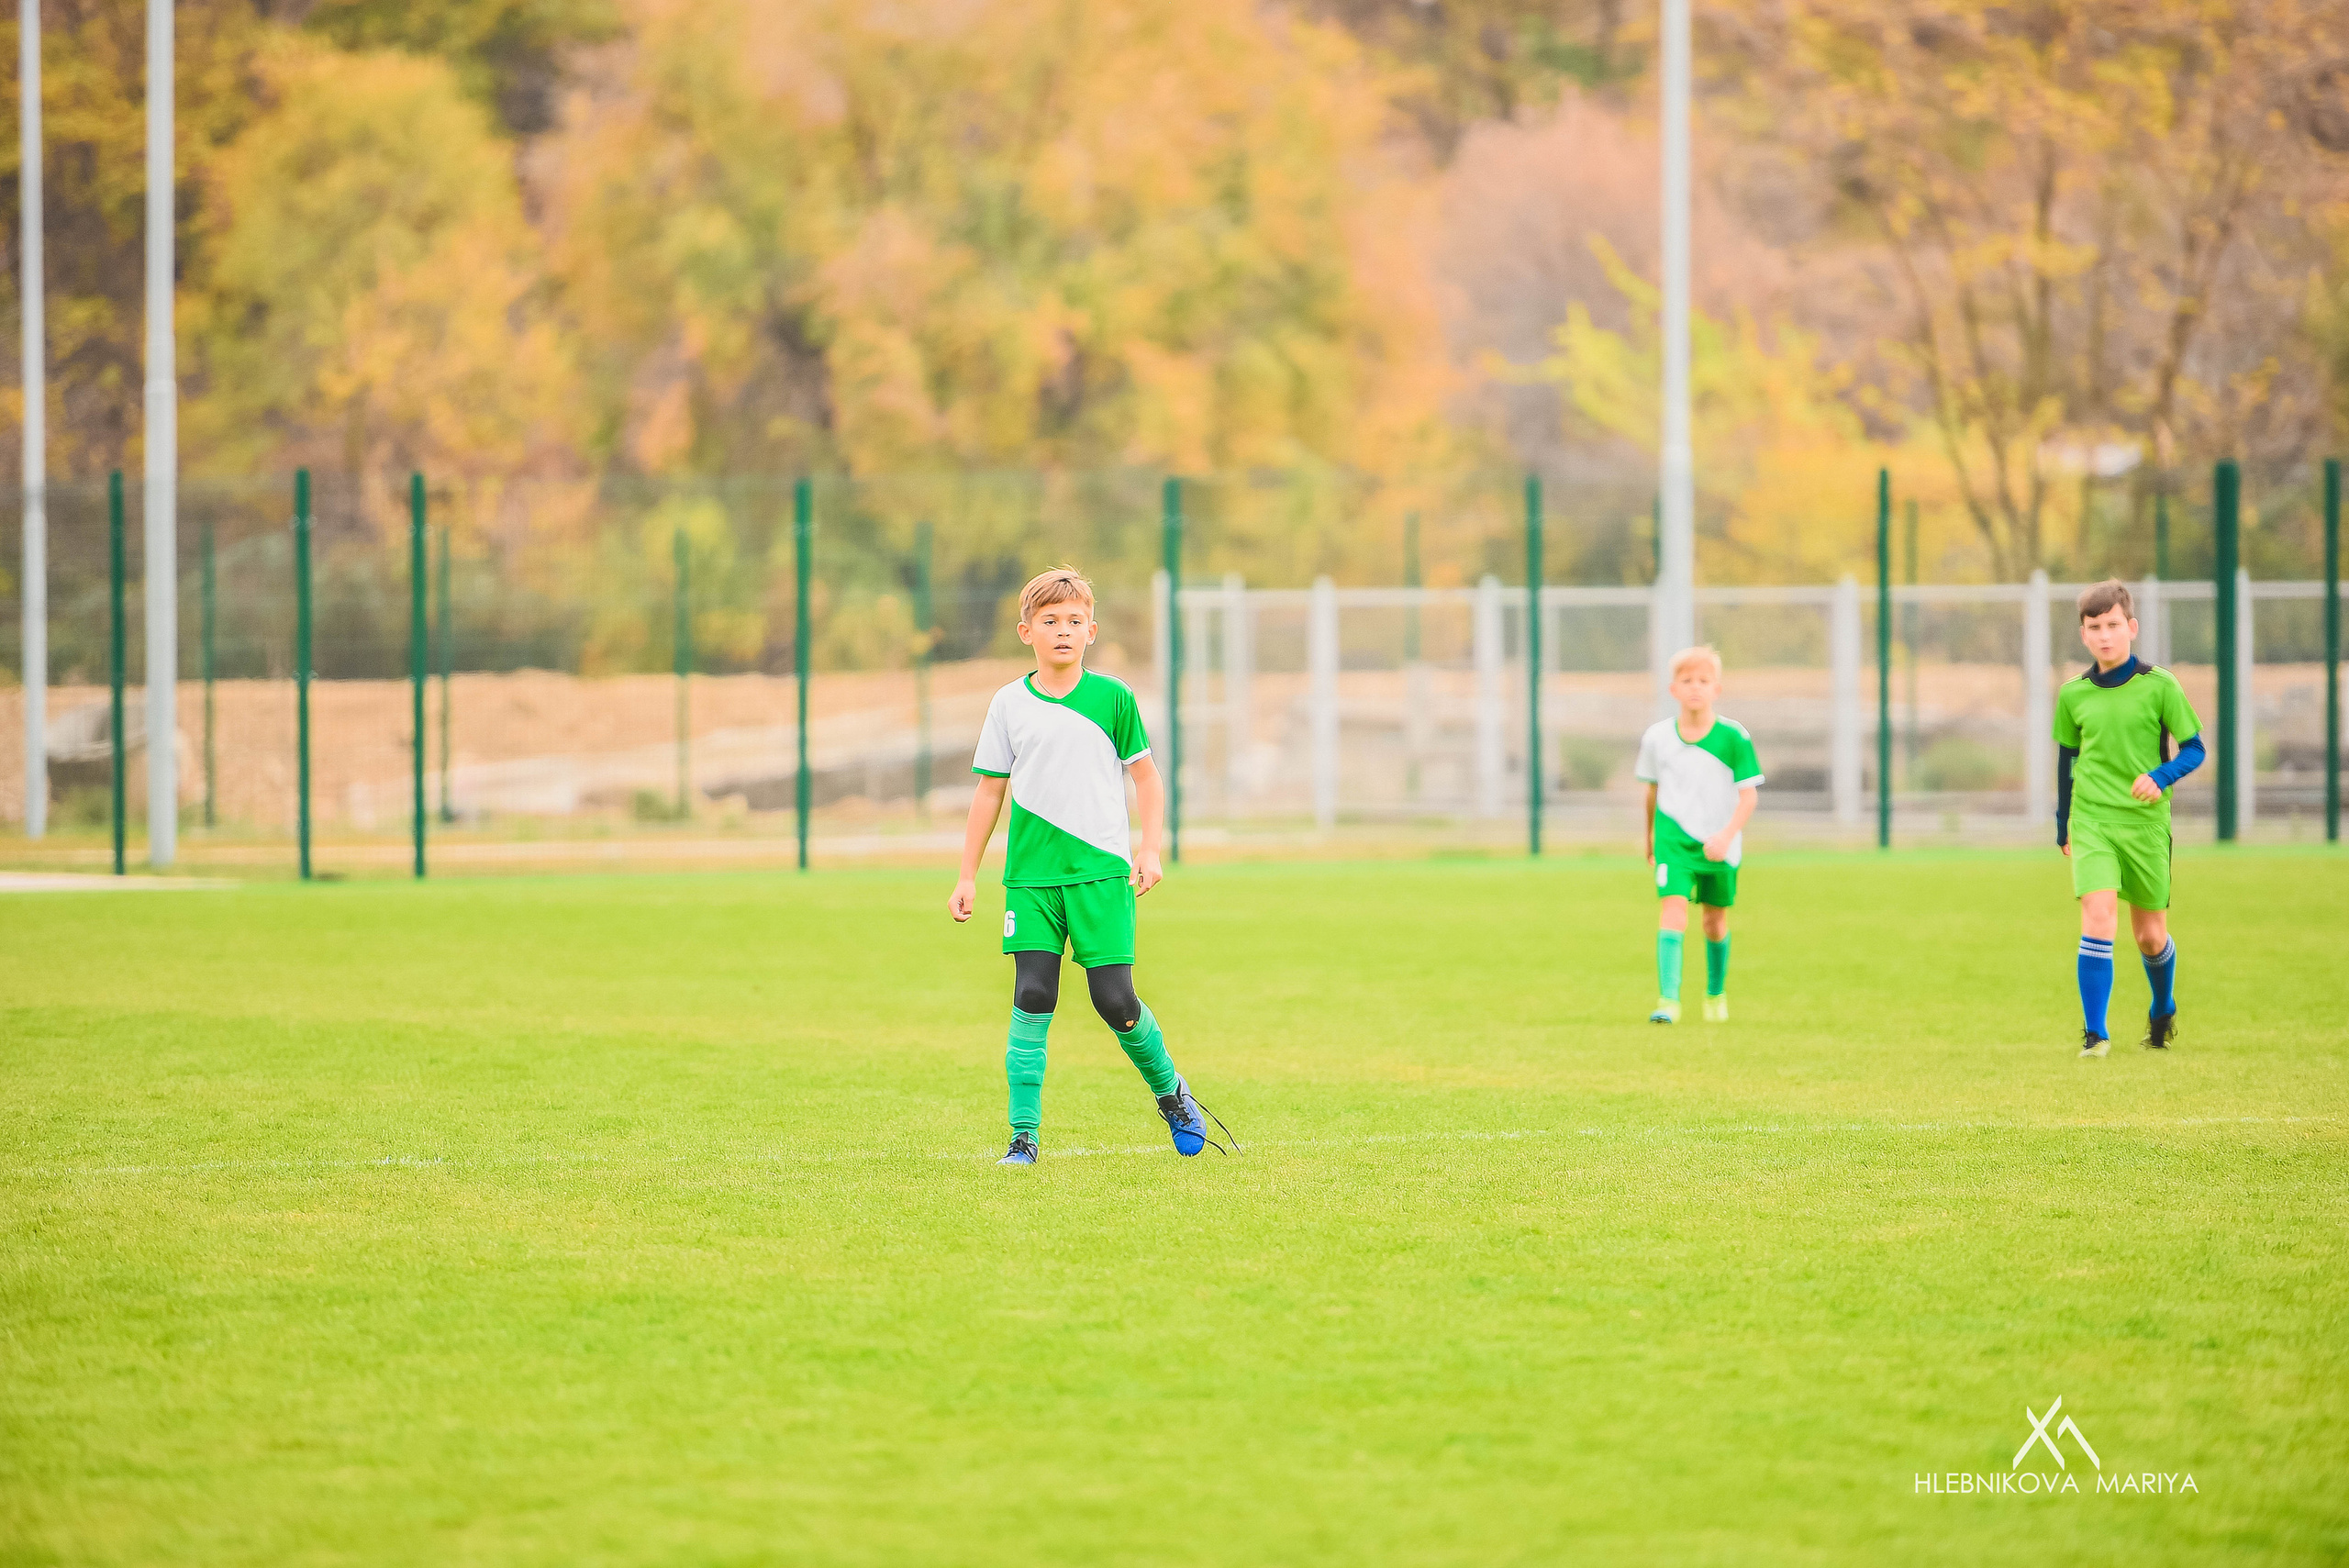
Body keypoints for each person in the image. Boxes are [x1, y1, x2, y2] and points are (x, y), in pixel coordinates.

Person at [948, 566, 1219, 1164]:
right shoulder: (1008, 704)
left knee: (1115, 1001)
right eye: (1050, 621)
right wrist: (967, 874)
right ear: (1027, 631)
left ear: (1092, 631)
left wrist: (1149, 849)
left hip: (1101, 875)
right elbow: (989, 791)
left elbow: (1147, 778)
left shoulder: (1113, 698)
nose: (1063, 630)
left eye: (1075, 621)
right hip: (1032, 879)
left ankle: (1171, 1092)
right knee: (1033, 993)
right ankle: (1023, 1136)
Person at [2056, 580, 2204, 1058]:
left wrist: (2161, 776)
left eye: (2113, 625)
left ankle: (2162, 1007)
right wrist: (2063, 823)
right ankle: (2095, 1034)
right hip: (2092, 820)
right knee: (2098, 917)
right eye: (2095, 627)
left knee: (2149, 936)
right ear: (2083, 633)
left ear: (2131, 627)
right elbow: (2067, 761)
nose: (2105, 635)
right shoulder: (2073, 694)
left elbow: (2195, 749)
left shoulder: (2160, 685)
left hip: (2145, 824)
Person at [1635, 647, 1763, 1024]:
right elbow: (1652, 792)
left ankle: (1715, 994)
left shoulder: (1734, 737)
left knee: (1714, 922)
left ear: (1716, 689)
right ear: (1673, 689)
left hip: (1719, 843)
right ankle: (1668, 1002)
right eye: (1687, 680)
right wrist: (1649, 838)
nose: (1695, 687)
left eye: (1703, 681)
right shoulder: (1657, 738)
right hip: (1673, 840)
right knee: (1673, 909)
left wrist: (1726, 836)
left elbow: (1749, 796)